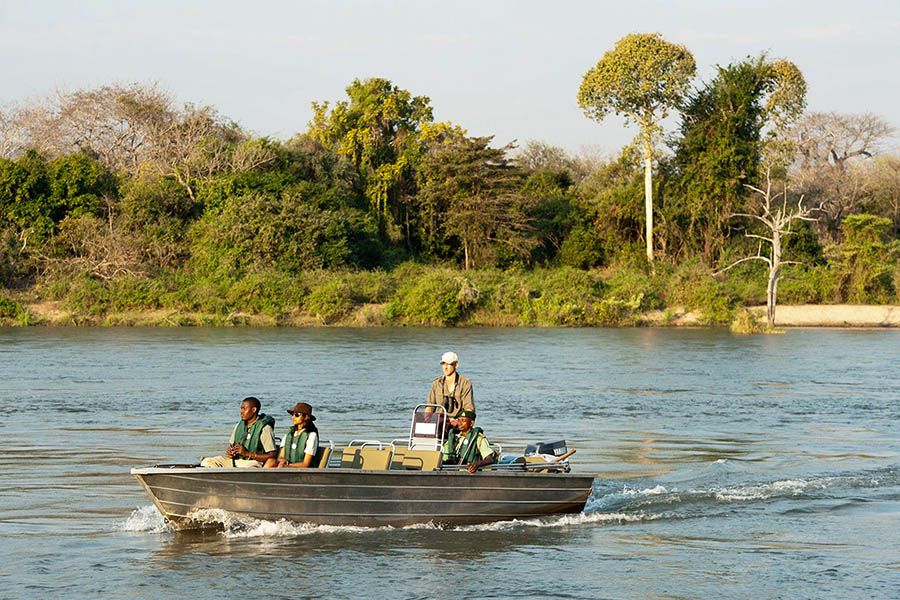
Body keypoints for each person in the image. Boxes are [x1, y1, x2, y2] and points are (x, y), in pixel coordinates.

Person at [200, 397, 277, 468]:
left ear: (254, 410)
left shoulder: (265, 428)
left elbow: (272, 455)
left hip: (253, 462)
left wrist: (247, 454)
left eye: (244, 409)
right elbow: (231, 447)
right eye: (241, 409)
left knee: (249, 468)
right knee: (207, 462)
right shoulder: (238, 426)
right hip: (235, 461)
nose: (241, 412)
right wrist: (230, 452)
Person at [425, 351, 474, 426]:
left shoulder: (465, 383)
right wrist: (426, 419)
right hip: (439, 422)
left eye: (449, 364)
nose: (445, 367)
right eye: (443, 364)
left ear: (456, 365)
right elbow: (430, 406)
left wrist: (458, 421)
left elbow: (469, 409)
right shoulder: (436, 383)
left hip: (458, 424)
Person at [268, 402, 320, 469]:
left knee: (280, 466)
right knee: (270, 461)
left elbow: (305, 464)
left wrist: (288, 466)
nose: (293, 417)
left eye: (297, 415)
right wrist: (282, 460)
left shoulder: (311, 435)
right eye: (292, 414)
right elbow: (281, 456)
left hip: (302, 470)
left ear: (306, 417)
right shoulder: (290, 433)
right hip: (287, 466)